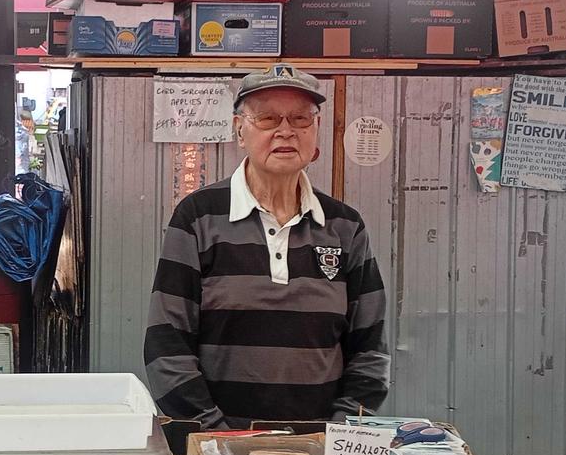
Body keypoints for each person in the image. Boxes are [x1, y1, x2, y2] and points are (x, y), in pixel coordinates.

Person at [144, 64, 389, 429]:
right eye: (267, 118)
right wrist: (218, 438)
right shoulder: (198, 217)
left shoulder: (345, 226)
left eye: (301, 118)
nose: (286, 130)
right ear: (239, 129)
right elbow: (167, 346)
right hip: (218, 453)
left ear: (317, 130)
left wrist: (339, 436)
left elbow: (370, 350)